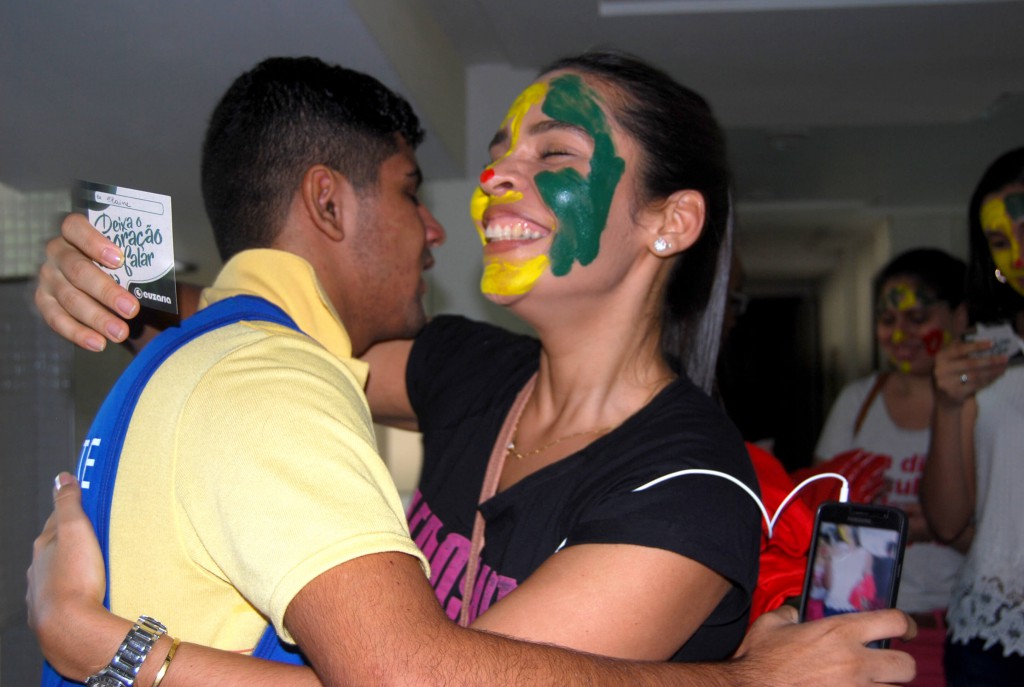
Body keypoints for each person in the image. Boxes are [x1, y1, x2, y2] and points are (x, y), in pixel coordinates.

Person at [29, 53, 918, 685]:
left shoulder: (687, 484)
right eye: (499, 152)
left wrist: (113, 649)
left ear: (670, 222)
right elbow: (274, 330)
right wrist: (114, 284)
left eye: (553, 158)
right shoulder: (470, 367)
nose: (494, 179)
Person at [814, 248, 969, 686]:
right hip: (862, 629)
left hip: (953, 628)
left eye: (917, 318)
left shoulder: (984, 409)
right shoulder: (857, 402)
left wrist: (941, 527)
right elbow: (818, 508)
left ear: (960, 317)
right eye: (887, 319)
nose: (900, 334)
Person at [921, 147, 1024, 687]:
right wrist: (948, 404)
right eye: (1001, 241)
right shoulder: (982, 355)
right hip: (989, 641)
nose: (1020, 254)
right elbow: (946, 520)